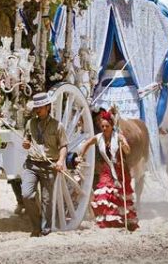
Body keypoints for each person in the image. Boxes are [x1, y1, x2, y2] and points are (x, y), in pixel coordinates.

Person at [78, 111, 139, 231]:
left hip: (119, 169)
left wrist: (124, 146)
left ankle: (121, 220)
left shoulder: (119, 137)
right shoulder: (98, 137)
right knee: (104, 193)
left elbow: (127, 151)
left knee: (119, 196)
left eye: (107, 126)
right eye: (103, 126)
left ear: (112, 126)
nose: (104, 128)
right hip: (106, 170)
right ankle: (107, 220)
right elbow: (87, 144)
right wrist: (81, 155)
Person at [21, 92, 68, 237]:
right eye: (36, 108)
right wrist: (26, 144)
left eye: (40, 107)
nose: (38, 110)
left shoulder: (57, 126)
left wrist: (60, 161)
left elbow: (64, 146)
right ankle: (36, 225)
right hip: (32, 164)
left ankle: (45, 229)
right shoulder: (30, 123)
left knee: (47, 200)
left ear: (48, 107)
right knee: (27, 195)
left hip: (49, 166)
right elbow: (26, 141)